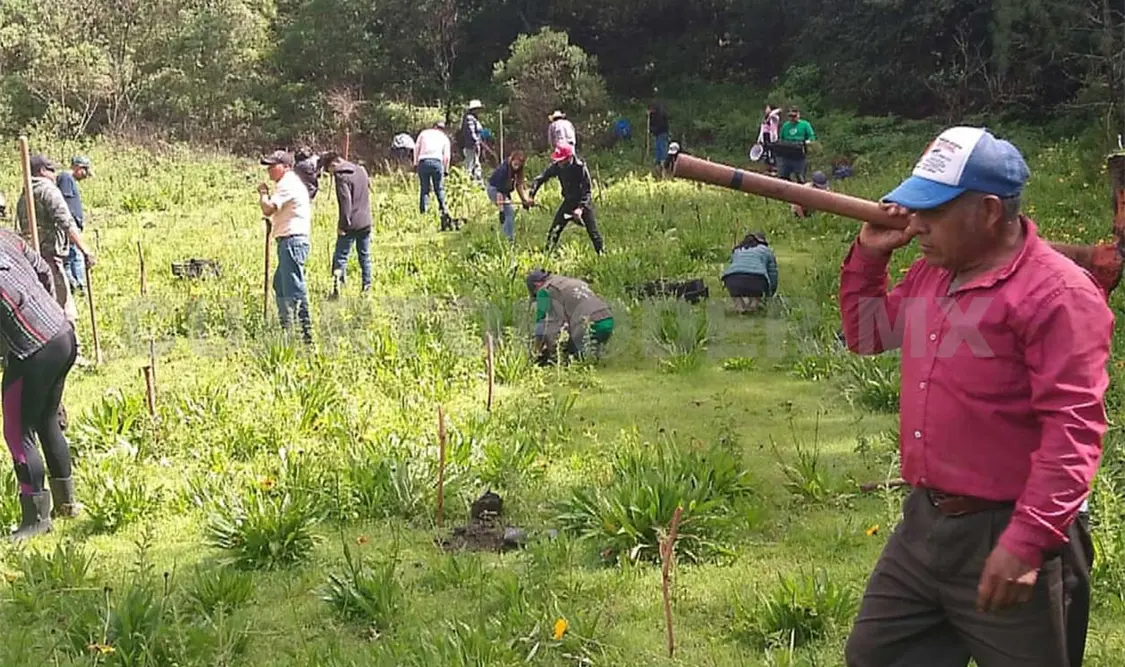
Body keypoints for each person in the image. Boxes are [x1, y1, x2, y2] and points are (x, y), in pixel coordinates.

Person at [839, 126, 1110, 667]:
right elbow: (868, 336)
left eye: (933, 212)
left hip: (1011, 531)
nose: (916, 225)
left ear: (988, 212)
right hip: (926, 523)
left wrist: (1027, 541)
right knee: (875, 658)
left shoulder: (1058, 296)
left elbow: (1072, 430)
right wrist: (869, 256)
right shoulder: (932, 276)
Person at [0, 229, 81, 539]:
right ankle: (66, 503)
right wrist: (47, 305)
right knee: (47, 419)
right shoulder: (7, 236)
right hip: (62, 333)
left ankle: (35, 520)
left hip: (32, 348)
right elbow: (44, 269)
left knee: (17, 433)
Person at [15, 155, 97, 336]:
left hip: (31, 259)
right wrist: (85, 249)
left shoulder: (25, 194)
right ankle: (71, 348)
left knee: (42, 305)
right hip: (50, 256)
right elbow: (65, 221)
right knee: (64, 303)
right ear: (43, 171)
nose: (55, 175)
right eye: (52, 171)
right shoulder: (47, 190)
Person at [257, 150, 313, 345]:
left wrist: (263, 194)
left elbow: (268, 208)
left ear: (285, 166)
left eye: (273, 166)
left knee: (294, 288)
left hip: (292, 241)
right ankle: (287, 329)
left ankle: (305, 335)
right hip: (288, 241)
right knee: (280, 285)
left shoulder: (287, 183)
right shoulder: (288, 183)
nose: (269, 170)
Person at [529, 142, 604, 255]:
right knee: (555, 229)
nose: (559, 162)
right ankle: (547, 254)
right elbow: (540, 178)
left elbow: (587, 191)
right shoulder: (557, 166)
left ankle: (602, 254)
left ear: (569, 157)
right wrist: (531, 195)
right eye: (558, 159)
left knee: (593, 232)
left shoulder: (580, 167)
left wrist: (580, 208)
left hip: (582, 202)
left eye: (562, 159)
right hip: (568, 202)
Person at [526, 269, 614, 365]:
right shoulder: (571, 282)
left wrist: (536, 351)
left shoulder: (544, 290)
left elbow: (542, 323)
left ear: (537, 285)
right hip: (608, 318)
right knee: (587, 352)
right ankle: (592, 362)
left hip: (589, 322)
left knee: (571, 355)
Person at [321, 152, 373, 297]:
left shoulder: (341, 176)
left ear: (333, 165)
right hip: (366, 220)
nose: (330, 174)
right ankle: (366, 287)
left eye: (329, 171)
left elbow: (345, 204)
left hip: (350, 224)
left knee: (340, 257)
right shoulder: (361, 170)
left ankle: (338, 289)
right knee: (365, 256)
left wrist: (342, 226)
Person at [55, 156, 92, 295]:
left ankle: (75, 286)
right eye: (84, 171)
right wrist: (71, 225)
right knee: (75, 256)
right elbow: (65, 204)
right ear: (77, 167)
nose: (85, 175)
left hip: (72, 225)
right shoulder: (66, 178)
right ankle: (78, 286)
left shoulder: (69, 180)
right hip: (69, 226)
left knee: (72, 256)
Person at [721, 232, 778, 314]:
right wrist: (770, 294)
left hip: (732, 279)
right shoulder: (766, 250)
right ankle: (753, 308)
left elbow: (731, 266)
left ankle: (740, 308)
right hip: (757, 279)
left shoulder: (737, 250)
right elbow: (773, 274)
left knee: (737, 298)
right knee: (755, 298)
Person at [487, 151, 534, 242]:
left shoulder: (516, 170)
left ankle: (505, 235)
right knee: (509, 212)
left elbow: (518, 185)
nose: (516, 167)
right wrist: (501, 211)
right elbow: (499, 192)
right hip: (494, 190)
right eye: (515, 164)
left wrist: (524, 200)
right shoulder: (503, 170)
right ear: (511, 160)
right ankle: (508, 239)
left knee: (509, 213)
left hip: (503, 192)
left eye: (519, 165)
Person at [414, 120, 453, 230]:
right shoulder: (444, 137)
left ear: (434, 126)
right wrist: (446, 169)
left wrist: (415, 163)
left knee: (425, 189)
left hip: (423, 161)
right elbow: (446, 156)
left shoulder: (424, 133)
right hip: (437, 162)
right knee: (439, 188)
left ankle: (424, 214)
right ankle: (443, 211)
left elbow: (416, 148)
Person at [776, 108, 817, 183]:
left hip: (799, 155)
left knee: (800, 177)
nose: (792, 118)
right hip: (787, 155)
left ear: (798, 115)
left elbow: (812, 138)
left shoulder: (805, 125)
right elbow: (781, 139)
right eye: (790, 116)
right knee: (783, 176)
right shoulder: (785, 126)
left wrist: (806, 142)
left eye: (794, 116)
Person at [460, 99, 485, 185]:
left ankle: (477, 183)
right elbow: (471, 132)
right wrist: (476, 141)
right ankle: (467, 183)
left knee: (476, 164)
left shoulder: (474, 118)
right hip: (470, 146)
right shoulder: (469, 118)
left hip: (474, 145)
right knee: (470, 165)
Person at [756, 105, 781, 175]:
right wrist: (759, 140)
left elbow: (772, 114)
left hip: (772, 140)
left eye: (768, 108)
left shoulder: (775, 118)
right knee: (766, 154)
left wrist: (775, 110)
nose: (766, 110)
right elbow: (762, 130)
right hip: (765, 138)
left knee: (772, 154)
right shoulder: (765, 120)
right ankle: (768, 169)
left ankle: (774, 169)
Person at [649, 102, 670, 166]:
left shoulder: (660, 115)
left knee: (662, 148)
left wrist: (653, 130)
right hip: (658, 134)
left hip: (662, 133)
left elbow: (660, 125)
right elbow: (652, 123)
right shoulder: (654, 115)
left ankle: (664, 163)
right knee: (658, 147)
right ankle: (658, 162)